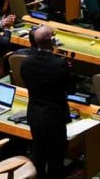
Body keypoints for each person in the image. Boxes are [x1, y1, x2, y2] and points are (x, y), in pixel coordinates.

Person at [21, 25, 75, 179]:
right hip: (54, 116)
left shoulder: (26, 62)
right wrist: (68, 72)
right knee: (56, 157)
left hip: (33, 114)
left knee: (38, 151)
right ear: (51, 40)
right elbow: (71, 90)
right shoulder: (59, 63)